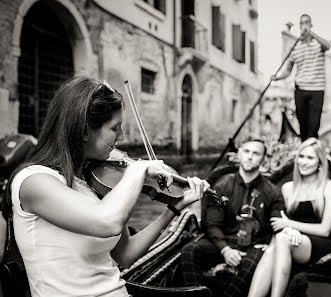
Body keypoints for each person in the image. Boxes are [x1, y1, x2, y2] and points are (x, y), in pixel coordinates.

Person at [3, 76, 210, 297]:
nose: (121, 137)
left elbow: (125, 255)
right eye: (115, 127)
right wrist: (136, 171)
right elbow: (107, 222)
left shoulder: (91, 183)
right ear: (83, 130)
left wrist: (175, 207)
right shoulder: (34, 181)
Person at [181, 137, 285, 297]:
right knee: (190, 250)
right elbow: (212, 224)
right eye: (247, 151)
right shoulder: (222, 186)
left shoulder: (272, 192)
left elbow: (277, 225)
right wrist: (225, 249)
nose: (250, 157)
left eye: (256, 153)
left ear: (263, 159)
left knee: (254, 260)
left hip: (254, 246)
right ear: (239, 154)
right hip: (223, 242)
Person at [247, 137, 331, 297]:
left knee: (282, 239)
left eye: (310, 158)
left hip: (322, 243)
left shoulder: (330, 187)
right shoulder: (288, 188)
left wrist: (289, 225)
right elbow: (280, 220)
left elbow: (325, 230)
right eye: (301, 157)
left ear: (320, 162)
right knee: (272, 249)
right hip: (293, 239)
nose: (303, 162)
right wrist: (289, 228)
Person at [271, 14, 331, 141]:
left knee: (314, 125)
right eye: (302, 23)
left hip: (317, 89)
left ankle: (312, 146)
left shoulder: (318, 44)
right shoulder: (295, 47)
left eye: (306, 22)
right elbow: (288, 70)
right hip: (300, 89)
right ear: (299, 26)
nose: (304, 25)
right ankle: (304, 147)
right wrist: (277, 78)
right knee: (302, 124)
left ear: (310, 25)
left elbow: (328, 46)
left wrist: (312, 34)